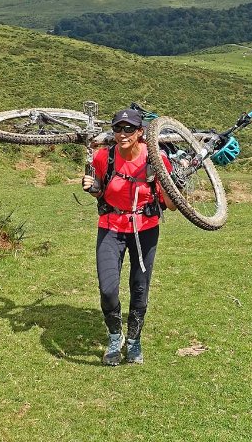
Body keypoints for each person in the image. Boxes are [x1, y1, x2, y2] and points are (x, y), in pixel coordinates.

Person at [82, 108, 176, 365]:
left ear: (140, 133)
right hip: (111, 227)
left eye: (128, 129)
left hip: (145, 229)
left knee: (139, 287)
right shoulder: (104, 157)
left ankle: (134, 342)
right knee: (108, 289)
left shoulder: (156, 159)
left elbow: (172, 204)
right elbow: (99, 190)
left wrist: (167, 185)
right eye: (117, 128)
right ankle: (115, 337)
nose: (122, 134)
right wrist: (92, 188)